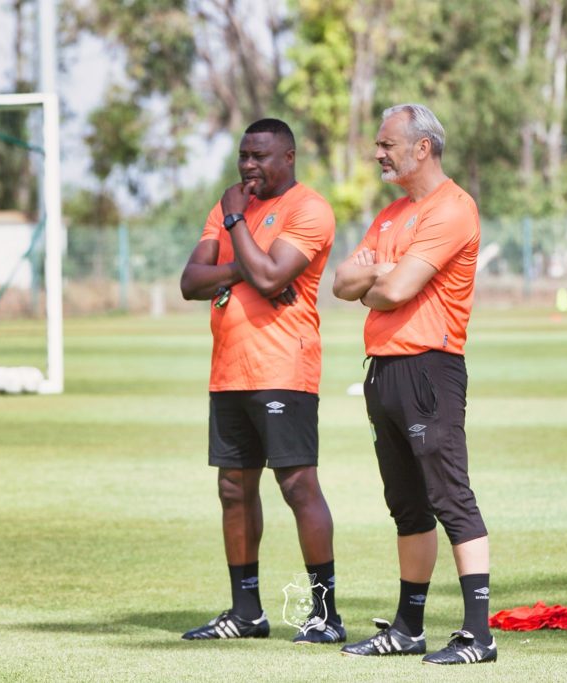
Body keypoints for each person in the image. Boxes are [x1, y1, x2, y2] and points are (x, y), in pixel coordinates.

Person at [332, 104, 496, 665]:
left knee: (451, 496)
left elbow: (392, 290)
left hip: (430, 368)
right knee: (406, 505)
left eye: (387, 144)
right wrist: (379, 272)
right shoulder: (392, 214)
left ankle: (479, 635)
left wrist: (379, 274)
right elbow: (342, 281)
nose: (378, 153)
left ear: (421, 147)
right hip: (384, 371)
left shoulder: (453, 209)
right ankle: (408, 628)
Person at [179, 118, 345, 644]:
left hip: (283, 368)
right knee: (233, 488)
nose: (249, 166)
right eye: (243, 155)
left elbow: (275, 276)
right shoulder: (227, 208)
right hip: (229, 367)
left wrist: (236, 228)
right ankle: (245, 612)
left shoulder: (308, 209)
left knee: (297, 485)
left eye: (261, 156)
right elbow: (190, 282)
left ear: (289, 157)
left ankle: (326, 614)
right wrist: (243, 265)